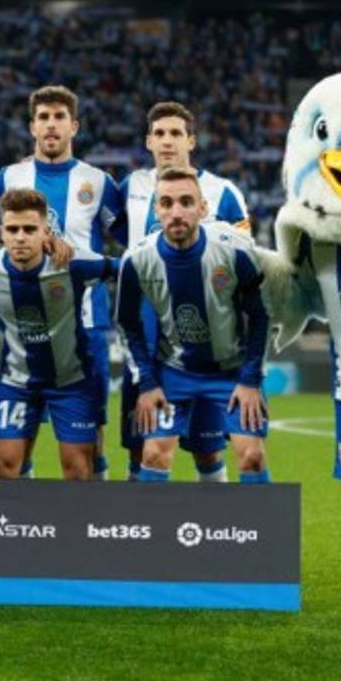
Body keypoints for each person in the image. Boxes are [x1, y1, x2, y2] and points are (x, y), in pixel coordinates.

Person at [0, 85, 124, 479]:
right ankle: (21, 527)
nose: (51, 125)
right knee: (14, 450)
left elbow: (128, 242)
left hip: (85, 324)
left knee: (90, 444)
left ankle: (97, 525)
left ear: (73, 126)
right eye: (43, 118)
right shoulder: (10, 177)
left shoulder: (98, 182)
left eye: (59, 117)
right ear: (32, 127)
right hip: (26, 320)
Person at [117, 101, 252, 482]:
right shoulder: (131, 188)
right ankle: (141, 534)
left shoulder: (223, 193)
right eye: (159, 133)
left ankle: (219, 534)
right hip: (144, 343)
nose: (167, 141)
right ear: (147, 141)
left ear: (191, 140)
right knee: (142, 449)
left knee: (208, 451)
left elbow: (245, 267)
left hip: (202, 347)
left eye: (176, 133)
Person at [0, 188, 116, 480]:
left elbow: (132, 270)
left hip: (72, 381)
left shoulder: (75, 264)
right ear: (1, 233)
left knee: (79, 471)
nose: (20, 237)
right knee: (3, 467)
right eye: (13, 229)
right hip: (17, 381)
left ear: (46, 231)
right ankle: (18, 525)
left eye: (30, 229)